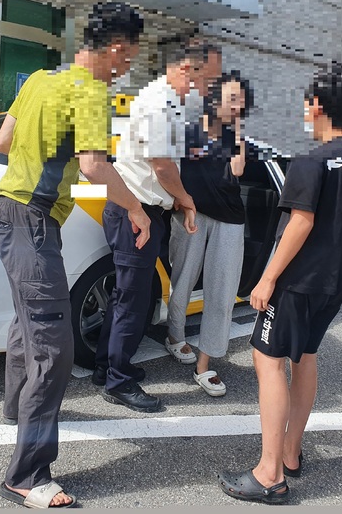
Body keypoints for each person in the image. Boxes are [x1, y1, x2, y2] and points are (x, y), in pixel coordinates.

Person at [0, 2, 148, 509]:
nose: (127, 66)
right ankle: (28, 475)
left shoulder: (38, 79)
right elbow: (94, 167)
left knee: (28, 324)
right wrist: (137, 209)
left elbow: (3, 141)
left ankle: (19, 409)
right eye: (130, 57)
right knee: (54, 349)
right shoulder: (92, 93)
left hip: (6, 211)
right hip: (32, 222)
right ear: (117, 48)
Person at [217, 63, 342, 504]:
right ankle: (290, 452)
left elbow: (299, 223)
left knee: (268, 362)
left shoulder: (311, 158)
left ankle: (269, 475)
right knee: (306, 355)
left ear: (319, 106)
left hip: (298, 280)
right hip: (337, 279)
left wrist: (267, 279)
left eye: (308, 102)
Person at [92, 40, 223, 412]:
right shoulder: (159, 103)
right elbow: (161, 164)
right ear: (186, 69)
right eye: (204, 79)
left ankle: (108, 367)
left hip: (142, 210)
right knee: (132, 301)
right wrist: (187, 198)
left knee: (125, 296)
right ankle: (118, 381)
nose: (205, 88)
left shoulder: (166, 102)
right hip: (137, 212)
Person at [165, 71, 254, 396]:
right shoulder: (187, 126)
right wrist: (179, 201)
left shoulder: (236, 136)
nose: (235, 105)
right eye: (231, 97)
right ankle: (175, 335)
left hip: (229, 219)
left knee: (221, 290)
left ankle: (205, 364)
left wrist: (239, 131)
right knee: (183, 278)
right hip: (191, 213)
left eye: (241, 101)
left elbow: (238, 170)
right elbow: (169, 168)